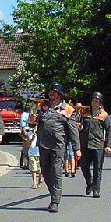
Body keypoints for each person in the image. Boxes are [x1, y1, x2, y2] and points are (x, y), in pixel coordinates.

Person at [34, 82, 81, 212]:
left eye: (54, 92)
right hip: (43, 144)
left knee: (56, 173)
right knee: (46, 173)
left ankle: (55, 201)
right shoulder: (43, 106)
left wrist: (77, 148)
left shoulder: (68, 110)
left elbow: (73, 131)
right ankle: (53, 192)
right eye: (50, 91)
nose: (51, 93)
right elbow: (35, 121)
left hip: (58, 146)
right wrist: (33, 119)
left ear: (59, 94)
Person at [78, 92, 111, 198]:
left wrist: (108, 145)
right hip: (85, 144)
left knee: (97, 168)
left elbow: (109, 130)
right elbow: (79, 124)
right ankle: (89, 183)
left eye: (96, 101)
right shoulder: (85, 112)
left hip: (98, 145)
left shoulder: (104, 115)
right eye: (93, 101)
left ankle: (96, 189)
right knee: (84, 166)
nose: (94, 103)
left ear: (100, 103)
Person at [28, 124, 42, 189]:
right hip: (31, 153)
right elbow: (28, 144)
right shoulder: (29, 133)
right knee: (33, 168)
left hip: (39, 153)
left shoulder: (41, 133)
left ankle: (39, 180)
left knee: (39, 169)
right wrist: (32, 138)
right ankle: (34, 182)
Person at [19, 104, 31, 169]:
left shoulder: (31, 114)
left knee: (30, 148)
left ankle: (29, 163)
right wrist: (24, 132)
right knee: (26, 149)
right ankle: (24, 163)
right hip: (26, 131)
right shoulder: (24, 114)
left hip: (31, 131)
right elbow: (23, 125)